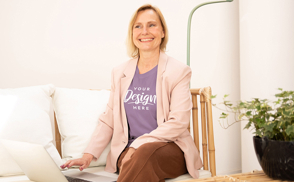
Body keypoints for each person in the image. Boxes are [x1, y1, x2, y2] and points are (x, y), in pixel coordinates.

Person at [61, 4, 202, 182]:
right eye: (138, 26)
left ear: (163, 32)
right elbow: (109, 119)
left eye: (152, 25)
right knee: (141, 161)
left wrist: (139, 144)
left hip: (170, 149)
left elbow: (178, 122)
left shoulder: (178, 71)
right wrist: (88, 155)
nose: (144, 31)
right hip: (128, 152)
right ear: (132, 33)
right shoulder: (120, 72)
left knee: (145, 153)